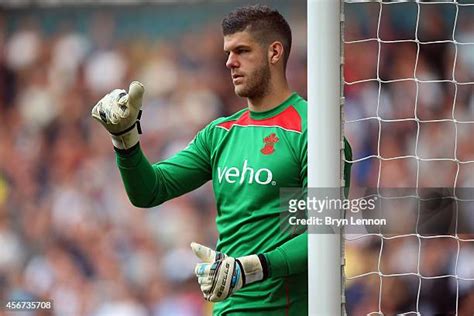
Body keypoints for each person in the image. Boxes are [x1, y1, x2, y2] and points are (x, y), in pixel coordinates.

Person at [92, 5, 351, 315]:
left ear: (275, 52)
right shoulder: (221, 133)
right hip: (225, 310)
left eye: (242, 50)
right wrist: (125, 140)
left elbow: (323, 238)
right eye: (228, 52)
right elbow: (149, 191)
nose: (230, 61)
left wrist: (250, 268)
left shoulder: (313, 133)